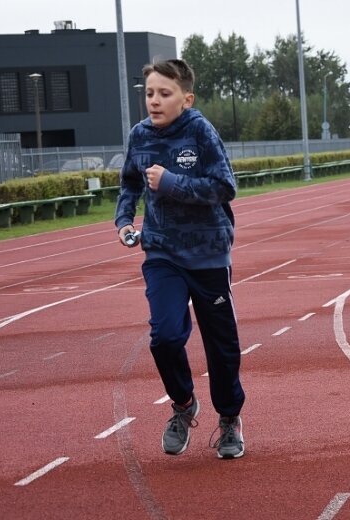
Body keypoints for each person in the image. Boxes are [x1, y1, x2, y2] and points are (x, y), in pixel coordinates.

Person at [114, 59, 245, 459]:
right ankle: (184, 405)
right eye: (149, 93)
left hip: (208, 254)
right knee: (166, 336)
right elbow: (130, 182)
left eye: (164, 94)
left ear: (186, 99)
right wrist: (124, 219)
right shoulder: (139, 135)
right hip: (162, 252)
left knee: (221, 347)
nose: (154, 101)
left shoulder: (200, 131)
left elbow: (225, 187)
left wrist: (171, 183)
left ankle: (229, 420)